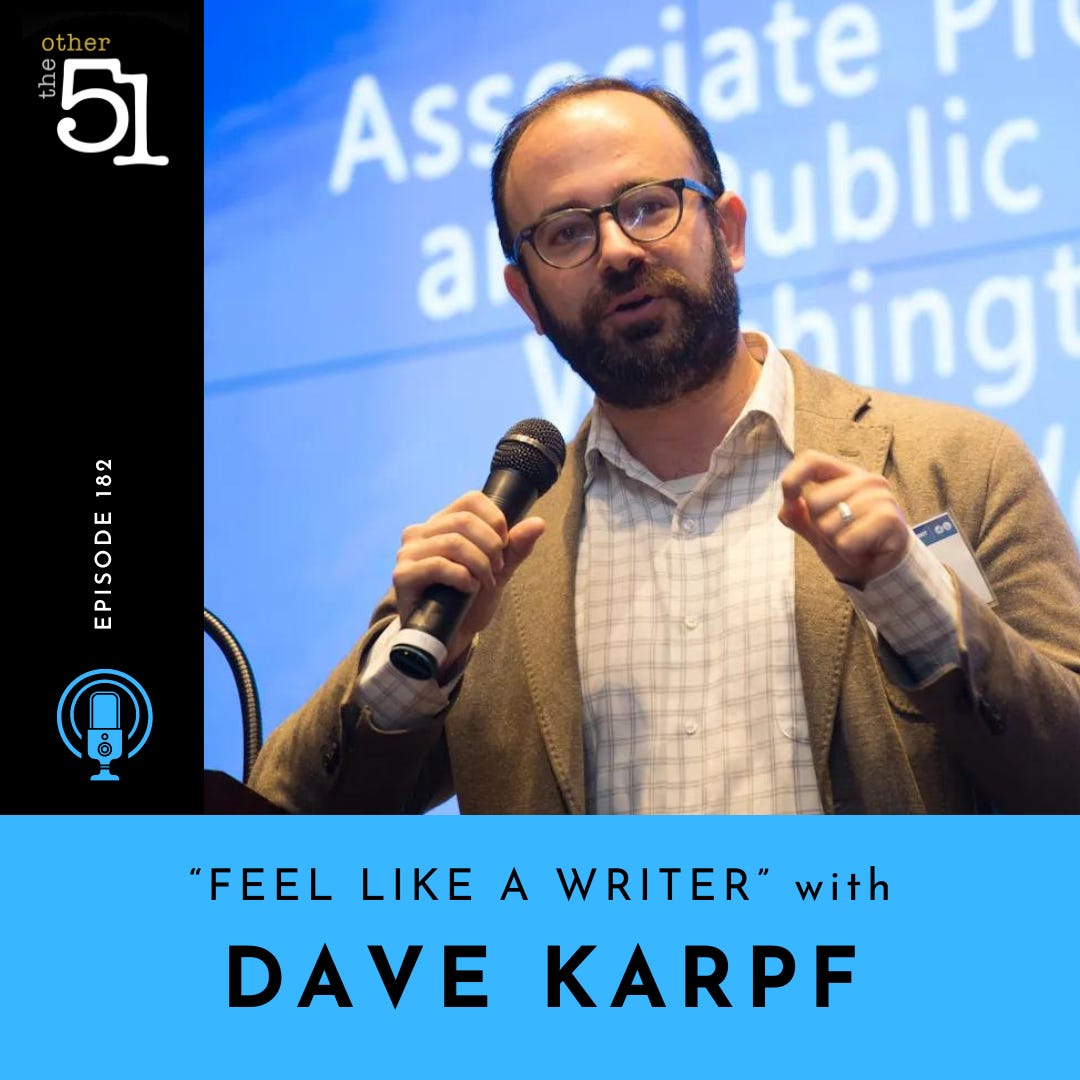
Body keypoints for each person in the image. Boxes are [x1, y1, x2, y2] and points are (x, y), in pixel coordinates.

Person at [248, 76, 1080, 814]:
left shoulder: (958, 463)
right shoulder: (495, 559)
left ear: (729, 231)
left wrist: (913, 595)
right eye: (565, 233)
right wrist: (421, 662)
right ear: (526, 298)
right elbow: (278, 822)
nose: (617, 250)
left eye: (649, 206)